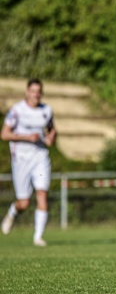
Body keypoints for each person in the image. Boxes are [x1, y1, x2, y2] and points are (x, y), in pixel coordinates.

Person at [1, 78, 57, 247]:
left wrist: (51, 137)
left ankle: (38, 237)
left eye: (38, 91)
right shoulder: (17, 110)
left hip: (40, 158)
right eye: (33, 91)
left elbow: (52, 129)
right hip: (21, 160)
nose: (36, 94)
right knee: (24, 202)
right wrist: (26, 137)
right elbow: (4, 134)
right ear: (27, 92)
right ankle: (13, 211)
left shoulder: (46, 110)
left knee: (42, 193)